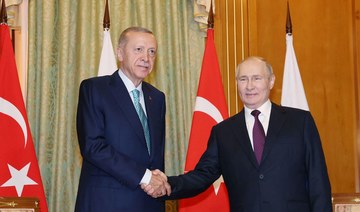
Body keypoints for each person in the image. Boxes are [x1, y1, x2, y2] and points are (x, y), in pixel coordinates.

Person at [144, 56, 332, 211]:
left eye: (257, 78)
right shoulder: (223, 132)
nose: (249, 86)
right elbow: (202, 176)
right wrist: (166, 184)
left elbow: (318, 181)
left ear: (271, 81)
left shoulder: (300, 122)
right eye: (243, 79)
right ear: (237, 84)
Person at [75, 26, 170, 212]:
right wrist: (145, 176)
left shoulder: (157, 97)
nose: (146, 58)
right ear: (120, 53)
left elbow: (155, 155)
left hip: (149, 202)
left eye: (152, 52)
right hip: (107, 202)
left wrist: (158, 183)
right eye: (139, 49)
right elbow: (93, 147)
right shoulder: (94, 89)